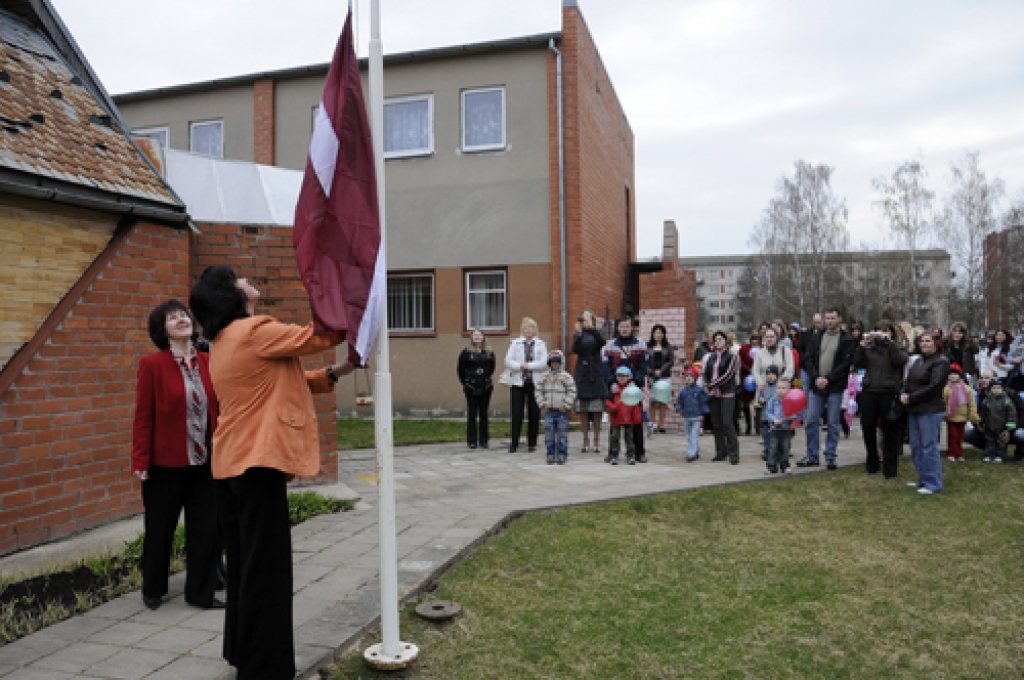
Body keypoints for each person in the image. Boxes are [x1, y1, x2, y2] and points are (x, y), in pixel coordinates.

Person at [188, 266, 354, 680]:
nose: (248, 279)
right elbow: (324, 335)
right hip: (257, 465)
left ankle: (245, 653)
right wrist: (349, 299)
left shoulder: (226, 339)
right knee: (268, 574)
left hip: (231, 466)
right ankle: (267, 670)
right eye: (238, 278)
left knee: (246, 568)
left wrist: (337, 372)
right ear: (230, 294)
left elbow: (281, 379)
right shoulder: (255, 330)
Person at [131, 300, 222, 612]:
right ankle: (153, 589)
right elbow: (143, 417)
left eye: (183, 314)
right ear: (162, 330)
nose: (181, 319)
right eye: (172, 318)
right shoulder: (152, 365)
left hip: (205, 465)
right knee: (160, 529)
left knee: (206, 530)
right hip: (164, 466)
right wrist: (140, 461)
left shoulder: (212, 361)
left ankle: (201, 593)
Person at [799, 308, 855, 470]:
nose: (830, 321)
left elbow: (845, 363)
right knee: (811, 421)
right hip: (816, 386)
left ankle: (830, 456)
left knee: (832, 423)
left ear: (839, 319)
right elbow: (808, 358)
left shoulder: (846, 339)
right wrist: (816, 377)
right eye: (827, 318)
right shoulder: (817, 337)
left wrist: (828, 379)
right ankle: (812, 455)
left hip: (835, 386)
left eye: (832, 318)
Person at [853, 320, 908, 479]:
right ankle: (872, 462)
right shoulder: (869, 348)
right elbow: (857, 362)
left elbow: (899, 360)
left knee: (889, 429)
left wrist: (889, 344)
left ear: (892, 332)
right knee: (867, 427)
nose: (882, 333)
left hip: (889, 391)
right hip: (870, 390)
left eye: (885, 331)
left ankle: (890, 467)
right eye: (878, 330)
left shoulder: (898, 347)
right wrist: (862, 345)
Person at [900, 332, 950, 495]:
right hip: (914, 409)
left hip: (930, 409)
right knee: (916, 446)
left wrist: (911, 397)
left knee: (929, 447)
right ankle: (923, 477)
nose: (924, 344)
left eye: (928, 341)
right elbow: (910, 381)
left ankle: (933, 483)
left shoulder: (941, 362)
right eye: (922, 341)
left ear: (936, 343)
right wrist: (904, 393)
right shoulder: (919, 360)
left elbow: (934, 386)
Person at [603, 317, 649, 462]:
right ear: (618, 328)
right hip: (616, 388)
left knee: (636, 420)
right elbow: (605, 367)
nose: (624, 329)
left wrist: (635, 382)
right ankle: (612, 452)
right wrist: (611, 383)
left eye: (627, 326)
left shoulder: (640, 344)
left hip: (633, 388)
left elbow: (643, 366)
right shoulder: (610, 345)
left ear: (631, 328)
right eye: (622, 326)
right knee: (615, 421)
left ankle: (638, 453)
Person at [505, 317, 548, 453]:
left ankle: (532, 443)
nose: (528, 330)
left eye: (530, 328)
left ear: (534, 330)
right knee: (517, 413)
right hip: (518, 382)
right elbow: (508, 361)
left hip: (534, 382)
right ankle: (514, 443)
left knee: (534, 413)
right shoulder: (516, 343)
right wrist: (519, 366)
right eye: (525, 328)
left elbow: (543, 362)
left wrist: (528, 366)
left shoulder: (541, 344)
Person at [571, 311, 607, 454]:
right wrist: (579, 334)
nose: (585, 322)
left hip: (596, 373)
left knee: (597, 408)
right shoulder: (578, 334)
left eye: (587, 319)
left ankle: (597, 439)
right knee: (583, 408)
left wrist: (591, 328)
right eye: (583, 319)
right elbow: (575, 349)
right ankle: (585, 439)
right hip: (583, 373)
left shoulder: (597, 332)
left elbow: (602, 342)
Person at [703, 330, 740, 464]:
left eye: (720, 339)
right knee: (716, 424)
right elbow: (705, 373)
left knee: (727, 423)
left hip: (727, 393)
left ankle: (734, 453)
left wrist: (712, 385)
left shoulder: (732, 356)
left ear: (725, 340)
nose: (718, 342)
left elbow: (728, 374)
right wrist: (707, 386)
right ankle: (720, 451)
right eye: (715, 340)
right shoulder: (711, 357)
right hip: (713, 395)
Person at [536, 350, 576, 465]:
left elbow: (572, 391)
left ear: (560, 363)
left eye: (557, 362)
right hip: (549, 411)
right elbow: (538, 390)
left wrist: (566, 405)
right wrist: (542, 403)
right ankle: (550, 454)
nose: (555, 365)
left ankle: (562, 454)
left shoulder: (566, 377)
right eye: (552, 363)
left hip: (561, 411)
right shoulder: (544, 376)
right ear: (549, 363)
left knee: (562, 434)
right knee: (549, 435)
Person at [457, 329, 495, 449]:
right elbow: (460, 369)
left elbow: (492, 368)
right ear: (471, 337)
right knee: (472, 413)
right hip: (471, 387)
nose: (477, 337)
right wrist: (466, 382)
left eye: (479, 335)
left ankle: (484, 440)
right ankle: (472, 440)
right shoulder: (466, 352)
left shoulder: (489, 352)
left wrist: (485, 379)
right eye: (475, 335)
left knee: (484, 413)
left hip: (485, 386)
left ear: (483, 337)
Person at [606, 366, 642, 465]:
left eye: (624, 376)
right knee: (615, 438)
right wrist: (612, 407)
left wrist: (636, 418)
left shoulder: (632, 390)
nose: (621, 378)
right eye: (619, 376)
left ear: (629, 377)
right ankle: (614, 455)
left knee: (629, 438)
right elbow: (608, 401)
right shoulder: (614, 390)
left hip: (629, 419)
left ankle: (630, 455)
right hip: (616, 418)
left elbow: (636, 405)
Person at [943, 363, 978, 462]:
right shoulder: (946, 388)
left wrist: (973, 414)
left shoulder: (966, 389)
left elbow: (971, 403)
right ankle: (951, 452)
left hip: (962, 417)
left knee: (959, 436)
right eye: (951, 374)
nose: (953, 376)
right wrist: (944, 413)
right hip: (951, 416)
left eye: (955, 374)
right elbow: (943, 402)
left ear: (960, 375)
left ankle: (959, 453)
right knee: (952, 436)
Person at [764, 377, 799, 474]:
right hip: (775, 429)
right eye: (778, 388)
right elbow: (768, 413)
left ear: (788, 390)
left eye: (783, 388)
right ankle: (771, 466)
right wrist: (773, 419)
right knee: (773, 448)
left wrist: (790, 417)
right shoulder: (773, 401)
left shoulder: (791, 401)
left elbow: (796, 413)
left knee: (785, 448)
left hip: (786, 429)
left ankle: (785, 465)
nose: (780, 390)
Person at [676, 368, 709, 461]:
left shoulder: (699, 390)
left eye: (691, 376)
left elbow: (704, 400)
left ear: (695, 378)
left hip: (697, 416)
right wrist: (678, 408)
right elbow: (680, 402)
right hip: (686, 416)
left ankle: (691, 453)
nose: (689, 378)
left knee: (694, 435)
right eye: (687, 376)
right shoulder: (683, 391)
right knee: (688, 435)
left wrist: (705, 409)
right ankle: (695, 449)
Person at [647, 324, 675, 434]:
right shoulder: (648, 346)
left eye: (660, 332)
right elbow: (644, 361)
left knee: (663, 401)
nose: (658, 335)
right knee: (652, 401)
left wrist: (661, 370)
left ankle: (661, 424)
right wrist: (652, 372)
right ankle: (652, 423)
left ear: (663, 334)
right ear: (653, 334)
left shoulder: (668, 346)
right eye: (656, 332)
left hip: (664, 376)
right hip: (651, 376)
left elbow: (671, 360)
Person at [980, 380, 1017, 463]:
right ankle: (989, 455)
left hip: (1002, 426)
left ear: (1002, 389)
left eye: (999, 388)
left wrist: (1010, 426)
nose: (996, 390)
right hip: (989, 425)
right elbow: (983, 412)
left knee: (1001, 442)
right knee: (990, 441)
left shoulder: (1007, 401)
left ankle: (1000, 456)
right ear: (990, 389)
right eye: (994, 388)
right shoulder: (986, 400)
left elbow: (1012, 413)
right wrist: (981, 421)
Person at [757, 365, 780, 462]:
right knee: (766, 435)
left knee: (775, 435)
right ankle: (767, 451)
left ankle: (776, 452)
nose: (770, 376)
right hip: (765, 417)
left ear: (776, 376)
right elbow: (759, 398)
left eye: (773, 374)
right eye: (768, 374)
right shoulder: (763, 387)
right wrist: (761, 400)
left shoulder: (779, 387)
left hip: (776, 417)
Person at [737, 333, 759, 436]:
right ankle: (748, 426)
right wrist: (747, 368)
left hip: (758, 377)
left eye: (757, 339)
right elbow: (739, 361)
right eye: (753, 339)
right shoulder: (744, 348)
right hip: (746, 378)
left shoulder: (762, 348)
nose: (755, 341)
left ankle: (758, 426)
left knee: (758, 402)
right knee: (746, 403)